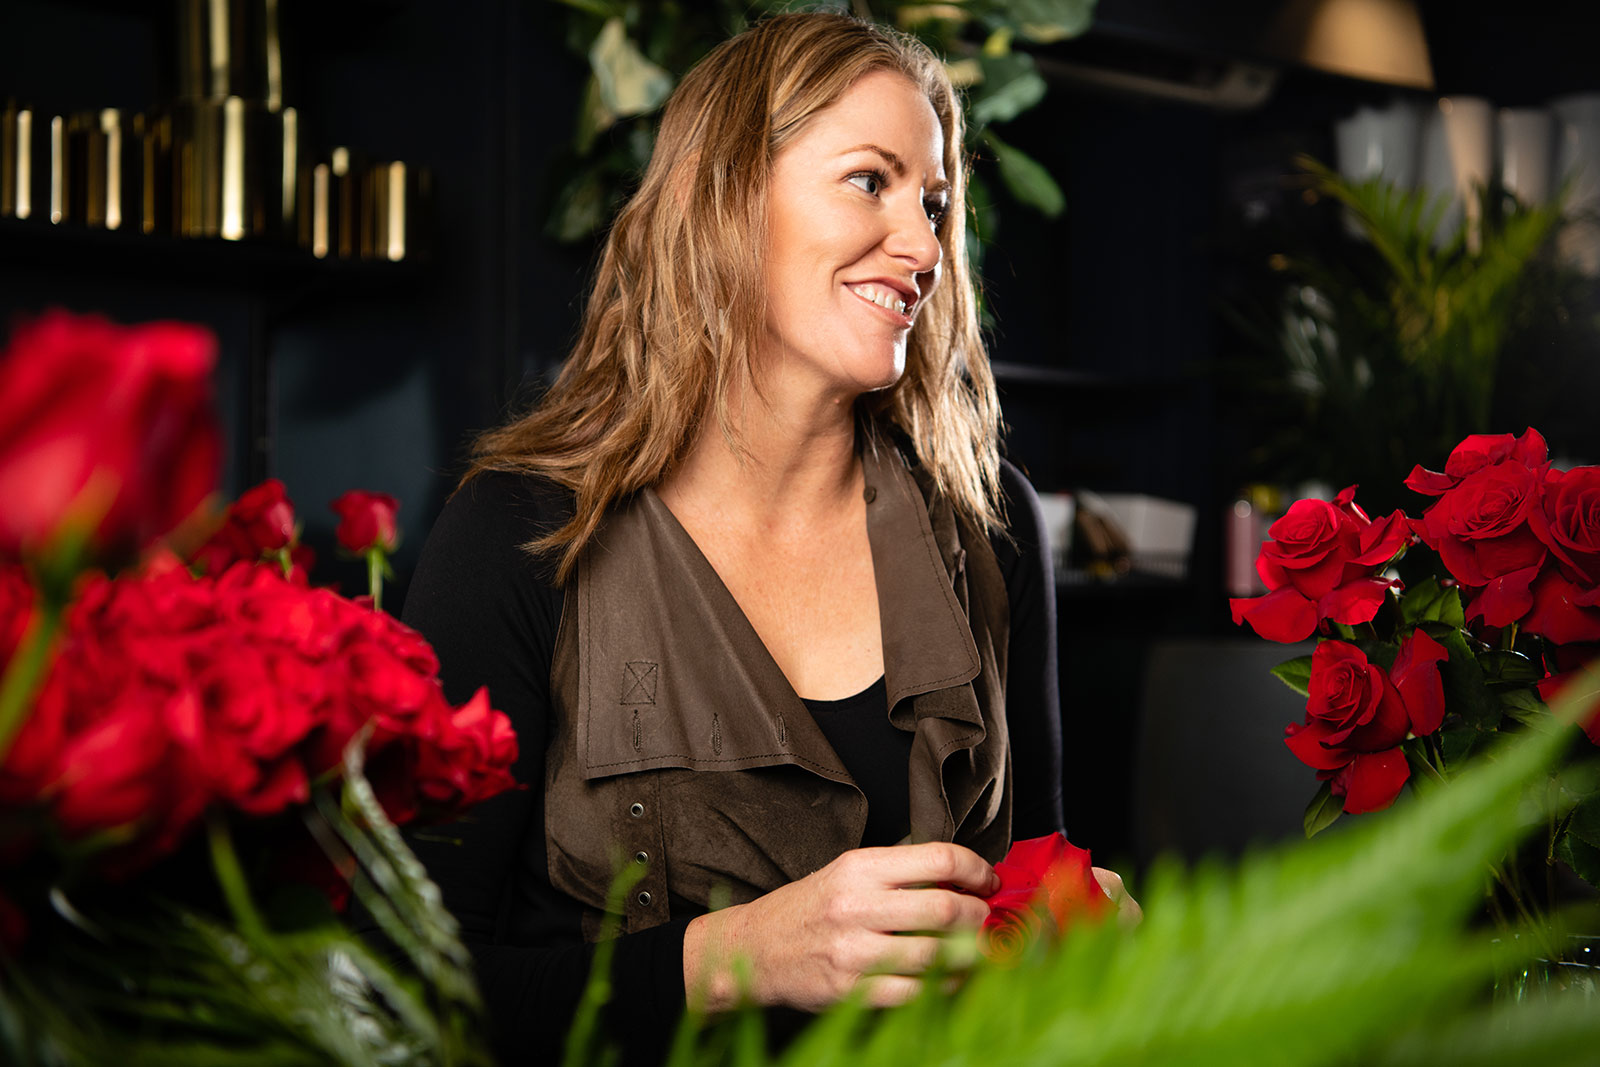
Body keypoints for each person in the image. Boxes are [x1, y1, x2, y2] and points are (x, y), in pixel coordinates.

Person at [401, 11, 1131, 1064]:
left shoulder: (991, 524)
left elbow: (1030, 903)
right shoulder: (521, 532)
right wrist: (732, 955)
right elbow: (407, 990)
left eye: (933, 203)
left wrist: (1084, 936)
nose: (926, 247)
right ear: (726, 197)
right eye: (869, 182)